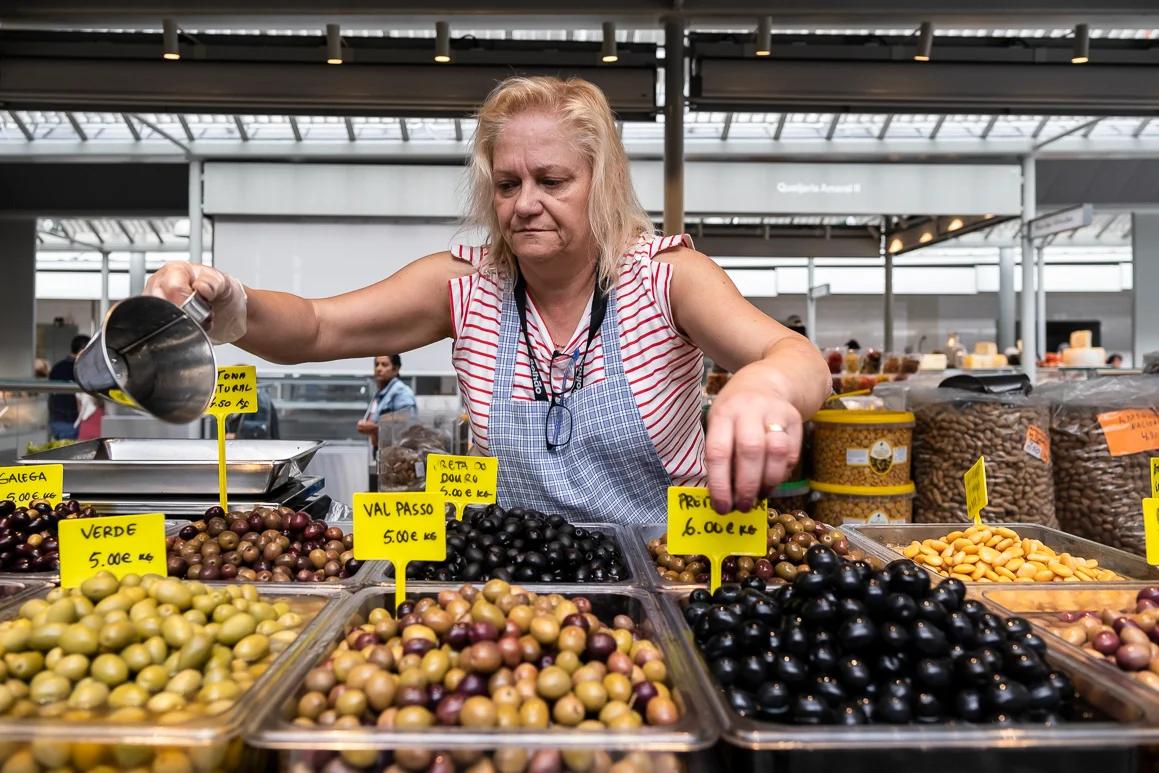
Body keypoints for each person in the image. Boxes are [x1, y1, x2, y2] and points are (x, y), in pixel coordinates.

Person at [145, 76, 830, 522]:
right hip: (514, 591)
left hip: (669, 581)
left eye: (551, 181)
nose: (525, 204)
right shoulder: (466, 284)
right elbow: (318, 327)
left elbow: (795, 356)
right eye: (507, 184)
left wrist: (764, 385)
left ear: (601, 183)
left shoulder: (665, 278)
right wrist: (231, 304)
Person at [356, 354, 417, 445]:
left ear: (395, 369)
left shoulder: (401, 393)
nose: (379, 368)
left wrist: (374, 428)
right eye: (376, 364)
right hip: (383, 450)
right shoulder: (381, 394)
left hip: (398, 452)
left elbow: (407, 428)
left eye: (384, 365)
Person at [47, 335, 90, 440]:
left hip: (56, 420)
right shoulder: (79, 369)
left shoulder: (57, 367)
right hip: (70, 422)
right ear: (82, 350)